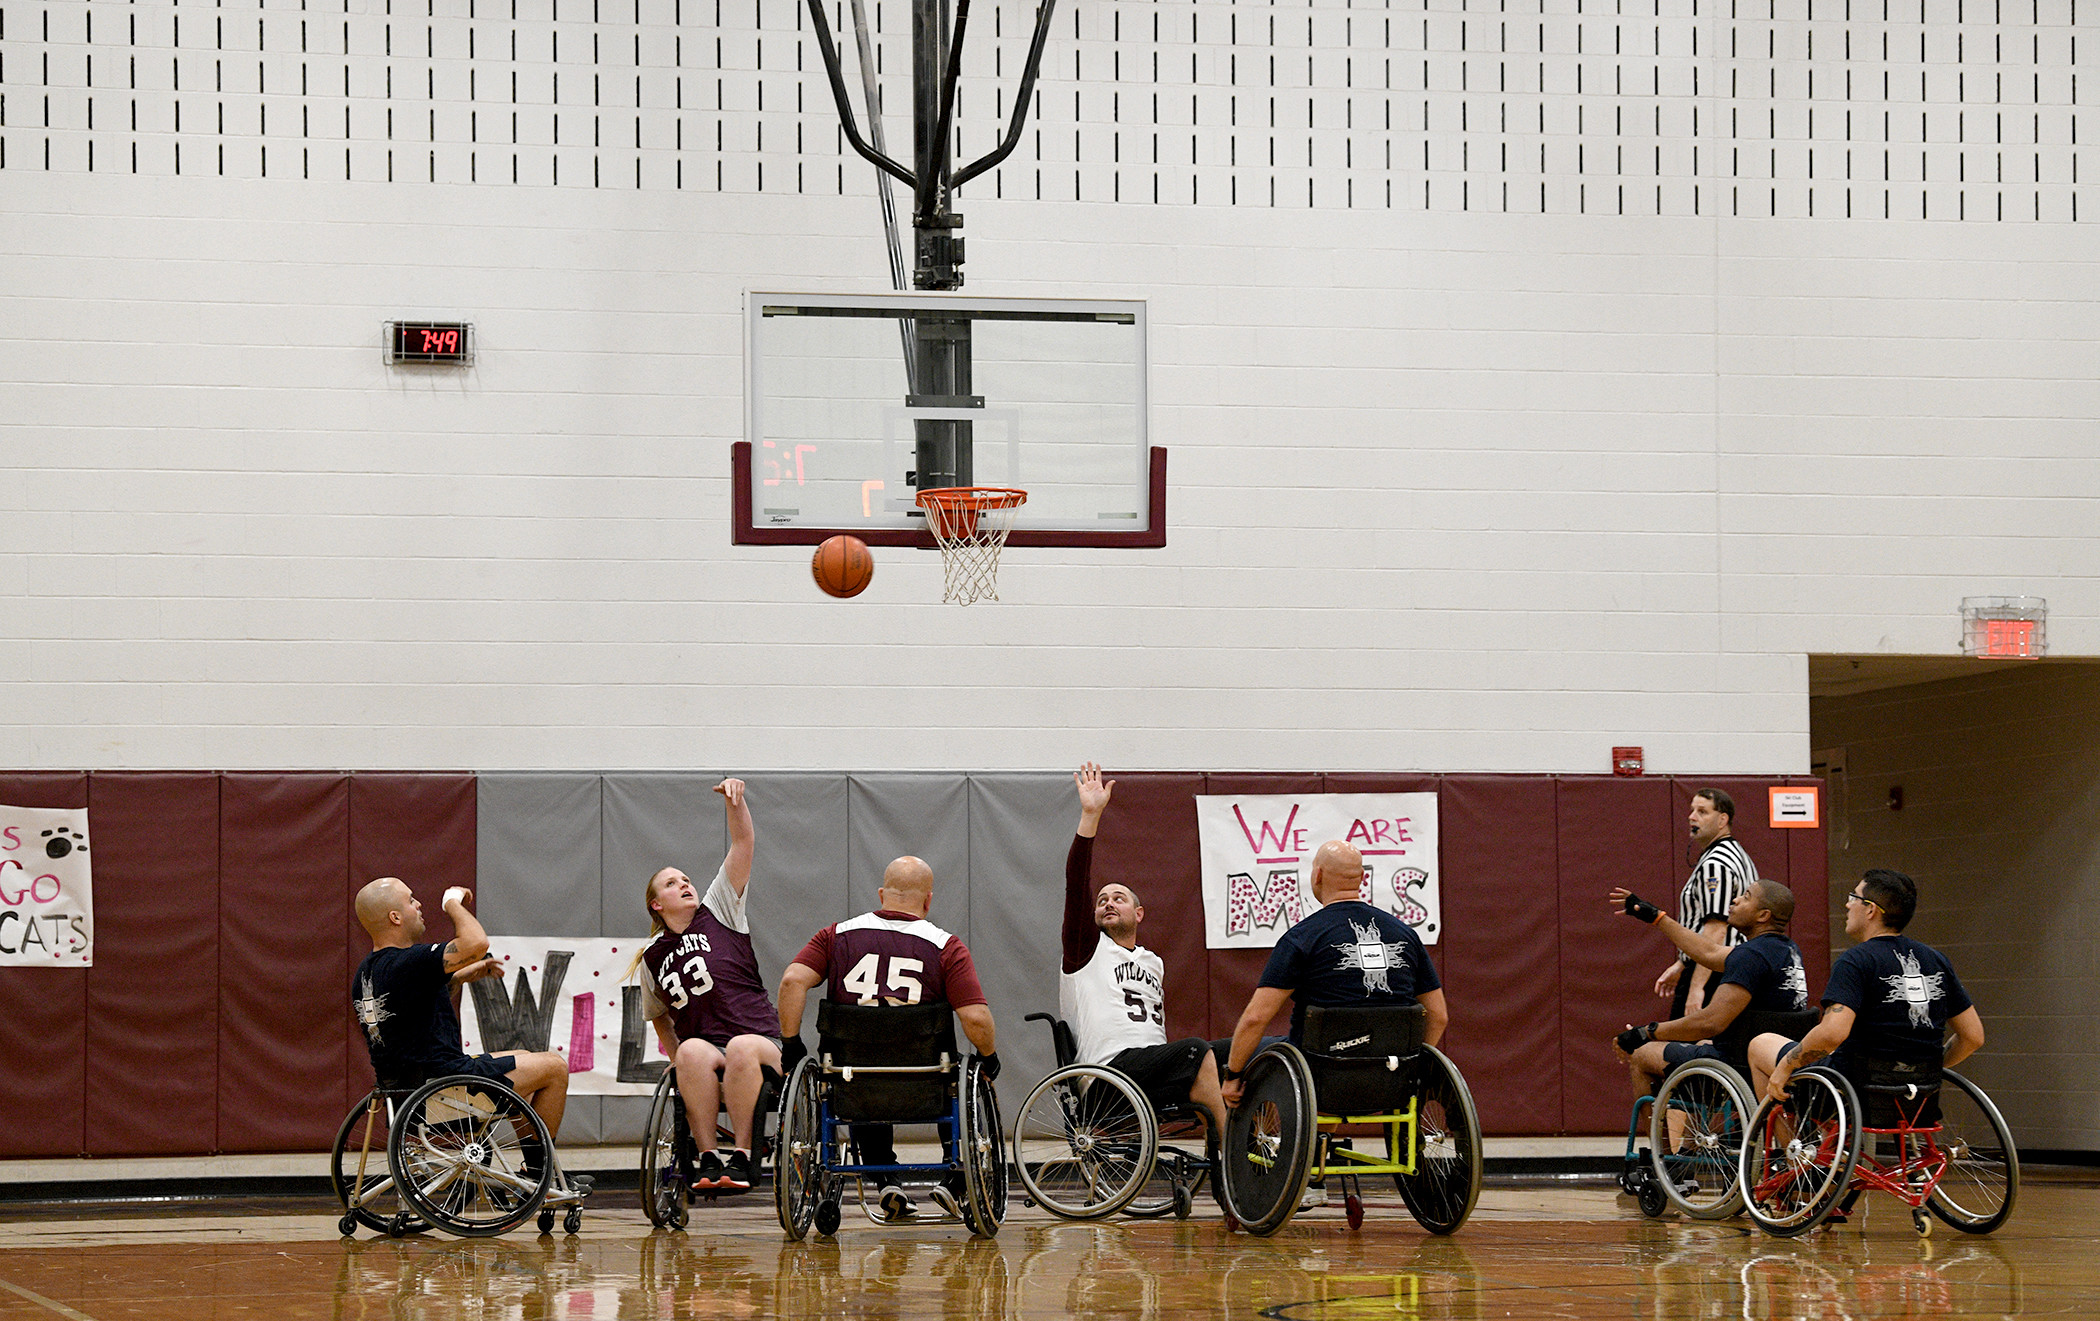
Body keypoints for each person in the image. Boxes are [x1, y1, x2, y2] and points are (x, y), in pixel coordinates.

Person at [776, 855, 998, 1222]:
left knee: (861, 1075)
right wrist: (989, 1057)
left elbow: (791, 982)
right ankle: (953, 1178)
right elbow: (975, 1017)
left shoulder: (836, 935)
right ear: (928, 900)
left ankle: (884, 1180)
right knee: (959, 1073)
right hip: (926, 1079)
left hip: (853, 1079)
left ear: (882, 894)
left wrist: (791, 1045)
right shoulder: (946, 946)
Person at [352, 878, 586, 1196]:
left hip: (405, 1094)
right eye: (411, 900)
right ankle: (538, 1172)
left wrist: (460, 977)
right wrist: (452, 903)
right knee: (554, 1067)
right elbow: (475, 944)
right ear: (395, 917)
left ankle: (532, 1169)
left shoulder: (368, 972)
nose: (418, 905)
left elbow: (409, 1007)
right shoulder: (409, 961)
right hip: (445, 1086)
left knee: (525, 1056)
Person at [1060, 763, 1228, 1143]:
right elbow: (1076, 883)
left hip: (1152, 1071)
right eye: (1102, 900)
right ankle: (1229, 1162)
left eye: (1118, 898)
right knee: (1195, 1050)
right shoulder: (1084, 950)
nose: (1107, 903)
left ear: (1138, 914)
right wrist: (1091, 816)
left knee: (1250, 1050)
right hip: (1109, 1077)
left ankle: (1270, 1155)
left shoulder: (1154, 962)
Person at [632, 778, 782, 1194]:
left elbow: (743, 844)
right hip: (710, 1048)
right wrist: (675, 1058)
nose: (684, 883)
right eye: (671, 883)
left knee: (739, 1047)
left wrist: (736, 803)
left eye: (685, 878)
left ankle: (745, 1155)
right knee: (690, 1052)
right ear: (656, 905)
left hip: (759, 1040)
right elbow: (660, 1018)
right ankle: (708, 1157)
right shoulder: (653, 957)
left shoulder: (719, 908)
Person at [1220, 840, 1447, 1109]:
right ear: (1362, 878)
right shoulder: (1406, 935)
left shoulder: (1302, 938)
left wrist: (1233, 1076)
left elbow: (1255, 1018)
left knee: (1235, 1055)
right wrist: (1411, 1066)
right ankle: (1323, 1134)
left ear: (1317, 875)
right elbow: (1439, 1016)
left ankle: (1274, 1142)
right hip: (1391, 1075)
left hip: (1319, 1078)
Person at [1753, 868, 1984, 1106]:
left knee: (1760, 1045)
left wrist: (1786, 1065)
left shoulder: (1856, 961)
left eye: (1853, 897)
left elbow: (1832, 1034)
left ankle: (1786, 1143)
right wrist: (1923, 1070)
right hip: (1917, 1092)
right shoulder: (1936, 960)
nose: (1847, 904)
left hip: (1853, 1089)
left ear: (1871, 909)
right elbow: (1973, 1037)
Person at [1608, 878, 1811, 1099]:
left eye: (1745, 897)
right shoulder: (1787, 950)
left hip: (1737, 1064)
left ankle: (1658, 1134)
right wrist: (1657, 917)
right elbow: (1709, 953)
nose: (1735, 899)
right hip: (1773, 1057)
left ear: (1763, 916)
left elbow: (1710, 1022)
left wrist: (1645, 1033)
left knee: (1641, 1055)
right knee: (1700, 1045)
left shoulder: (1750, 956)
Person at [1652, 789, 1761, 1016]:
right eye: (1692, 810)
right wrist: (1682, 964)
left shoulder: (1716, 864)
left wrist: (1696, 988)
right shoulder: (1738, 853)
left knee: (1686, 1047)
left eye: (1702, 812)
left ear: (1723, 820)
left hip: (1715, 971)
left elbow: (1716, 929)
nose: (1692, 817)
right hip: (1730, 966)